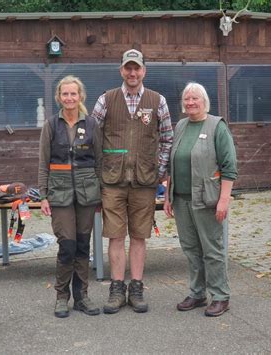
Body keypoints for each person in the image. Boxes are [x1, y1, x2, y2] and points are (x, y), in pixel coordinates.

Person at [91, 49, 173, 313]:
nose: (132, 73)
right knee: (115, 236)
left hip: (144, 181)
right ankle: (117, 289)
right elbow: (92, 138)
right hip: (112, 182)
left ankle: (136, 287)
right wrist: (99, 171)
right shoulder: (106, 100)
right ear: (121, 71)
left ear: (144, 71)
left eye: (136, 68)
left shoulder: (157, 101)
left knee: (139, 236)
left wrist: (158, 169)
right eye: (128, 68)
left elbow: (168, 138)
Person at [164, 82, 238, 316]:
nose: (190, 102)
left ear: (205, 101)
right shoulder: (181, 126)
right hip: (181, 199)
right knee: (191, 248)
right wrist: (168, 196)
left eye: (195, 98)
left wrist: (224, 200)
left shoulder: (217, 126)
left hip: (208, 200)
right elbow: (172, 164)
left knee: (212, 249)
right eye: (186, 99)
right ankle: (197, 293)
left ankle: (220, 295)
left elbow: (229, 167)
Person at [38, 75, 102, 317]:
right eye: (65, 94)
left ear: (81, 96)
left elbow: (100, 162)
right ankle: (61, 297)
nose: (69, 98)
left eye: (73, 94)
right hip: (60, 193)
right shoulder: (51, 125)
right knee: (67, 245)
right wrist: (43, 195)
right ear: (59, 97)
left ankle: (82, 297)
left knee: (83, 245)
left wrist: (101, 193)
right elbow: (43, 163)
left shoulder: (93, 124)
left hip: (87, 194)